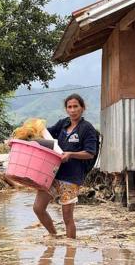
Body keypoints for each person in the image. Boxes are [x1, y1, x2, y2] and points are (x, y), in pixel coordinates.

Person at [33, 93, 97, 239]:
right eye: (70, 107)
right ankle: (54, 235)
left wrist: (71, 154)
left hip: (71, 178)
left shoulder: (87, 128)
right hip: (53, 174)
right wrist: (27, 137)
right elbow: (46, 135)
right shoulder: (63, 124)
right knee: (38, 208)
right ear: (66, 109)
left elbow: (90, 153)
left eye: (76, 106)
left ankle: (70, 252)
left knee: (67, 218)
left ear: (82, 108)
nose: (73, 110)